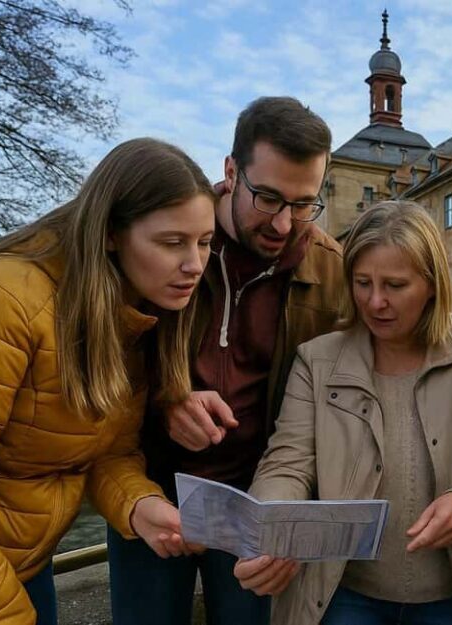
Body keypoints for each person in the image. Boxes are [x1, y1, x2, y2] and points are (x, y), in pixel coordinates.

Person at [0, 138, 216, 624]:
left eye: (204, 242)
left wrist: (139, 505)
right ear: (111, 232)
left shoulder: (132, 315)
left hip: (23, 567)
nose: (195, 264)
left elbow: (103, 450)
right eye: (172, 242)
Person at [106, 96, 344, 625]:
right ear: (231, 172)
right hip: (150, 482)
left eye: (305, 204)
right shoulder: (163, 239)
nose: (285, 225)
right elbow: (105, 362)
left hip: (257, 498)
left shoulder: (334, 272)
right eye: (268, 198)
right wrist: (166, 401)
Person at [234, 201, 452, 625]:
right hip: (346, 595)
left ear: (431, 284)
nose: (375, 302)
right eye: (362, 282)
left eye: (395, 285)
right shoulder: (316, 361)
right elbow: (288, 463)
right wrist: (274, 525)